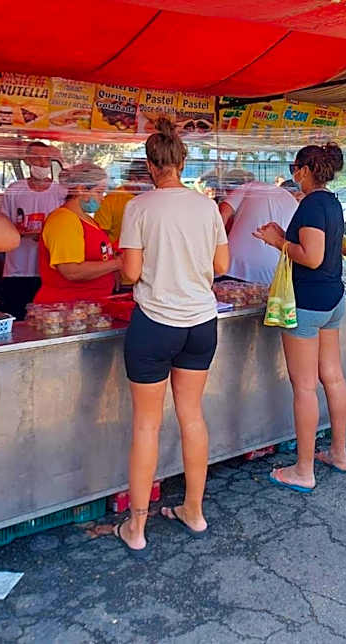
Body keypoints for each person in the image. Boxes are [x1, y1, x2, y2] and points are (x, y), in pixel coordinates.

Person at [116, 119, 229, 556]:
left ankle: (137, 527)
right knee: (192, 416)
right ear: (183, 161)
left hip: (154, 325)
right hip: (201, 324)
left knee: (147, 424)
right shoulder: (206, 207)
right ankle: (194, 511)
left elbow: (130, 273)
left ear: (149, 165)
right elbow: (221, 264)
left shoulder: (139, 208)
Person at [254, 142, 346, 493]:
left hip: (307, 304)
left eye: (295, 167)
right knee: (333, 378)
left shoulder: (311, 205)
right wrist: (282, 238)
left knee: (305, 387)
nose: (293, 174)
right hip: (332, 300)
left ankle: (303, 470)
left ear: (306, 170)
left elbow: (311, 256)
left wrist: (275, 241)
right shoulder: (332, 202)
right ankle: (339, 453)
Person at [35, 162, 123, 304]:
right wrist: (117, 264)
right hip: (67, 307)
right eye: (99, 192)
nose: (102, 198)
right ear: (82, 189)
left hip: (89, 304)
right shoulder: (63, 221)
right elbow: (71, 271)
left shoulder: (86, 219)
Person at [0, 142, 66, 319]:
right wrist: (20, 232)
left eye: (47, 159)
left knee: (46, 320)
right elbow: (3, 225)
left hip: (49, 269)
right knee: (15, 318)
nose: (43, 164)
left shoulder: (60, 192)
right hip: (17, 270)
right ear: (27, 160)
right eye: (37, 158)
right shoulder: (15, 190)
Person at [219, 175, 298, 286]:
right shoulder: (294, 203)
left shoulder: (251, 187)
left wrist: (215, 247)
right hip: (271, 273)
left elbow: (223, 213)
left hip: (234, 266)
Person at [94, 160, 152, 247]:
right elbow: (101, 236)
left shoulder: (153, 197)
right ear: (134, 178)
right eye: (148, 181)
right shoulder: (110, 200)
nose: (151, 184)